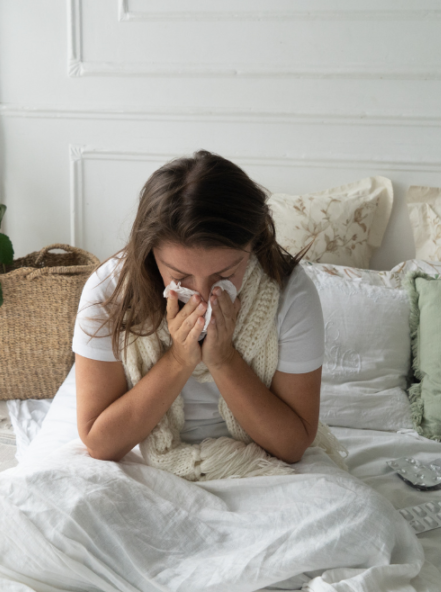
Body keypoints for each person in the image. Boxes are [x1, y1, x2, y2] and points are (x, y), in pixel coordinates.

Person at [72, 150, 347, 481]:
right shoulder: (109, 293)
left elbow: (291, 446)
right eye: (180, 276)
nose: (201, 295)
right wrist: (178, 360)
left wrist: (224, 360)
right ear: (149, 252)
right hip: (154, 471)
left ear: (253, 245)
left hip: (264, 467)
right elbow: (101, 444)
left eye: (225, 274)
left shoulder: (291, 295)